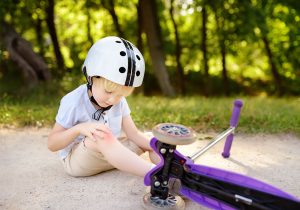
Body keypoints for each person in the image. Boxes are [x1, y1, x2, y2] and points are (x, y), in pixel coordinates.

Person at [48, 36, 159, 177]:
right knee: (99, 135)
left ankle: (174, 172)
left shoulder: (118, 101)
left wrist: (163, 149)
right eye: (108, 91)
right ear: (91, 77)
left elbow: (134, 134)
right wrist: (79, 129)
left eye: (120, 95)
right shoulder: (73, 101)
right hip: (79, 162)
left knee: (153, 142)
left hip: (113, 155)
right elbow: (52, 144)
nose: (113, 100)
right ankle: (156, 175)